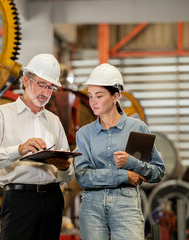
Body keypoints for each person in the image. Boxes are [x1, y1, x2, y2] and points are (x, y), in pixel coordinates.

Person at [0, 53, 75, 240]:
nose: (45, 92)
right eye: (41, 84)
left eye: (51, 87)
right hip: (19, 201)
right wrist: (18, 150)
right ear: (26, 81)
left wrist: (65, 167)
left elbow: (68, 176)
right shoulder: (1, 115)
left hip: (52, 199)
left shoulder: (54, 121)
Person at [74, 63, 165, 240]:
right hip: (91, 206)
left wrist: (132, 163)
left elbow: (158, 172)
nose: (93, 102)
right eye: (90, 96)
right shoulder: (84, 134)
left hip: (126, 204)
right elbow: (82, 177)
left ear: (115, 96)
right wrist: (124, 176)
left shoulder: (137, 128)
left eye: (99, 96)